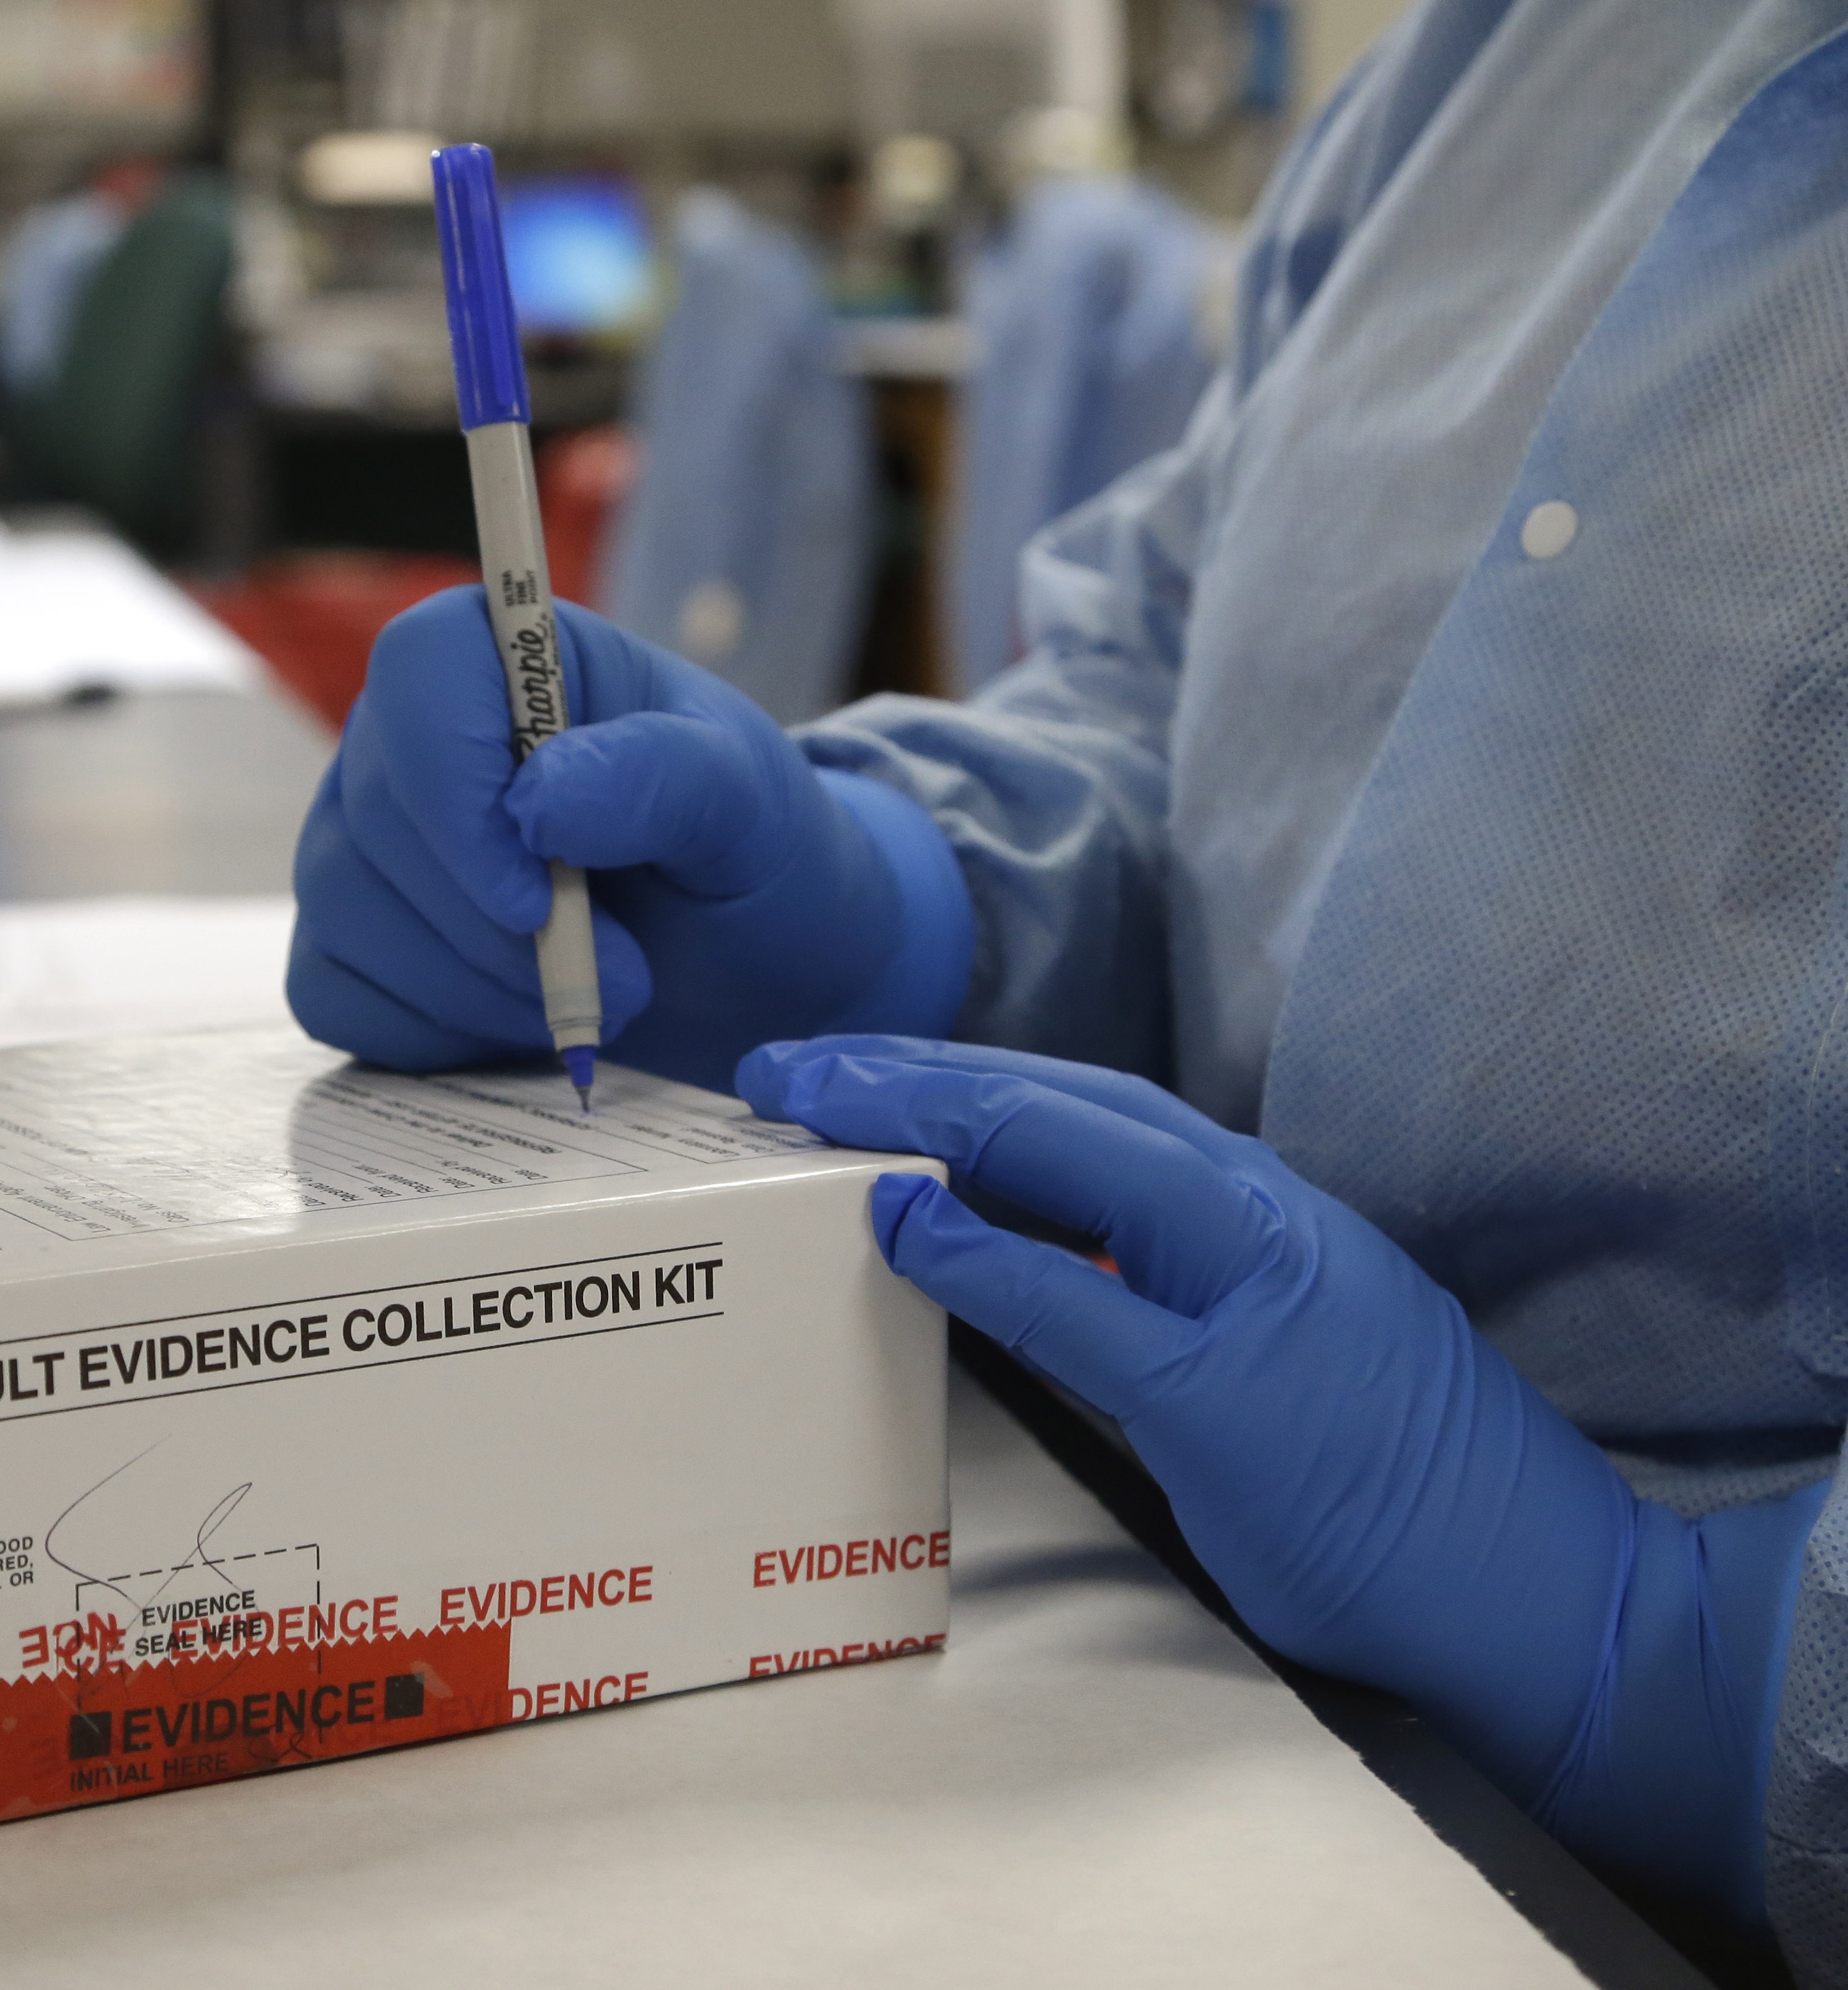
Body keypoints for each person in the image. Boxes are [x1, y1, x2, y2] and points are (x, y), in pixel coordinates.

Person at [285, 0, 1848, 1973]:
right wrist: (884, 894)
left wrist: (1698, 1668)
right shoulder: (1512, 56)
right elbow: (1189, 691)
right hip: (1128, 1680)